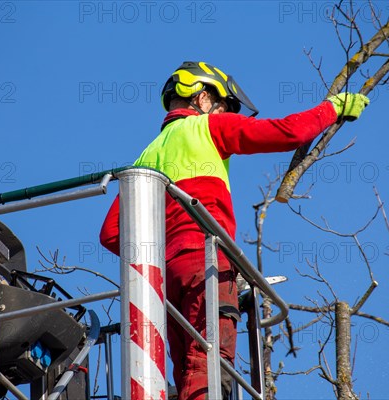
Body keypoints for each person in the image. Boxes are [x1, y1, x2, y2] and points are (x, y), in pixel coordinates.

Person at [99, 61, 369, 400]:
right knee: (209, 363)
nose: (224, 112)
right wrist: (334, 108)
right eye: (222, 105)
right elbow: (289, 133)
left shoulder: (146, 157)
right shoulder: (208, 127)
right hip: (207, 260)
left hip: (164, 280)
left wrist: (163, 254)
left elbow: (111, 233)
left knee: (186, 369)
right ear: (201, 97)